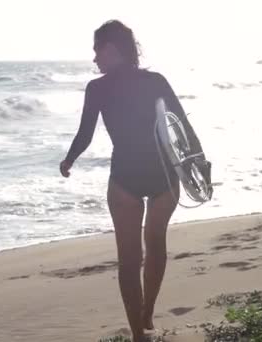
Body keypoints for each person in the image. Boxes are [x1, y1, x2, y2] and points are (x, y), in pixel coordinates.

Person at [59, 20, 202, 342]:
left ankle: (140, 330)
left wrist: (69, 159)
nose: (94, 58)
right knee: (154, 246)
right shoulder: (154, 81)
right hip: (162, 174)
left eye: (97, 50)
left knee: (130, 258)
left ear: (110, 49)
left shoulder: (98, 88)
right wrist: (198, 164)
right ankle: (146, 313)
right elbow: (182, 126)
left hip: (126, 177)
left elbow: (85, 132)